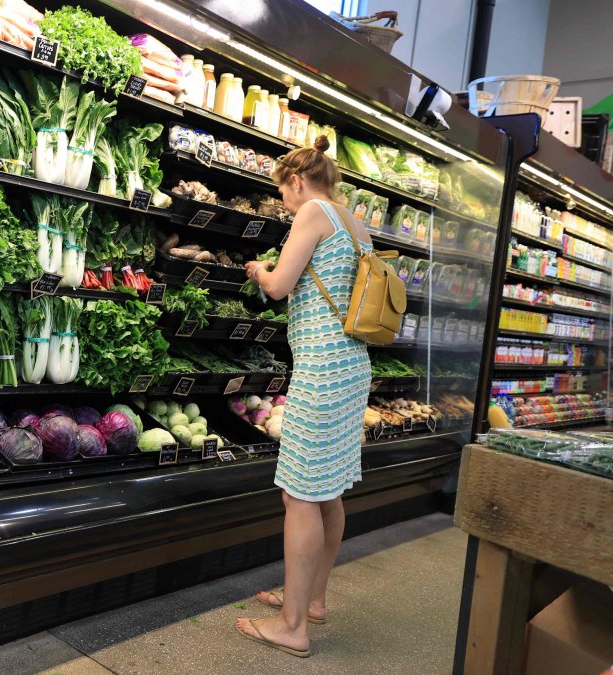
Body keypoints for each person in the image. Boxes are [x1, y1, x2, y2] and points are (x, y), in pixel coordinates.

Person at [234, 135, 372, 658]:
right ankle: (311, 600)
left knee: (299, 495)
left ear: (297, 181)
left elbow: (279, 285)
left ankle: (293, 626)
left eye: (283, 195)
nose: (285, 205)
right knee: (330, 491)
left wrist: (258, 271)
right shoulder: (352, 219)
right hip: (352, 366)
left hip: (321, 369)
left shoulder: (312, 210)